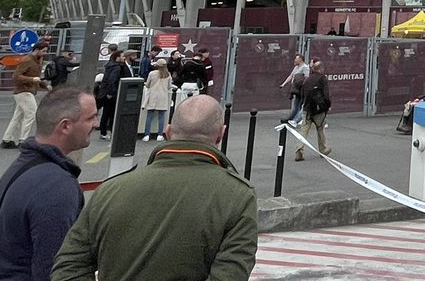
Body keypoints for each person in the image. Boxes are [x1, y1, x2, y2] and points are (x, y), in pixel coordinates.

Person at [52, 94, 257, 281]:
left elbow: (69, 267)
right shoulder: (237, 196)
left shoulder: (110, 190)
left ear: (168, 132)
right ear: (221, 135)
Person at [0, 88, 98, 281]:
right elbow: (54, 269)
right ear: (65, 126)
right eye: (90, 118)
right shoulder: (57, 187)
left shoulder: (22, 167)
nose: (96, 124)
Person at [2, 42, 50, 149]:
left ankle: (7, 139)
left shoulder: (36, 61)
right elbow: (16, 76)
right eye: (43, 51)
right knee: (31, 114)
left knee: (18, 117)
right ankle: (23, 140)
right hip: (24, 91)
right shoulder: (27, 60)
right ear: (37, 49)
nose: (44, 53)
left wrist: (45, 86)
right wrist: (32, 80)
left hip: (25, 91)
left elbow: (35, 77)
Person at [294, 59, 331, 161]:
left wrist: (305, 104)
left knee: (304, 130)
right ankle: (323, 149)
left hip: (307, 108)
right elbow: (326, 95)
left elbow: (302, 94)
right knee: (320, 129)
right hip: (318, 109)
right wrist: (327, 106)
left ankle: (299, 150)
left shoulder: (307, 79)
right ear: (321, 69)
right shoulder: (322, 79)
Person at [142, 58, 172, 141]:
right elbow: (169, 86)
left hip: (152, 96)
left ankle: (146, 135)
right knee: (161, 116)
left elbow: (148, 85)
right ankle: (159, 135)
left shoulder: (152, 73)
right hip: (163, 96)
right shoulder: (168, 74)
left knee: (149, 116)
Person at [280, 54, 310, 125]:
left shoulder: (305, 67)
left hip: (301, 89)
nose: (295, 60)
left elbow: (306, 77)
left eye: (296, 59)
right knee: (296, 104)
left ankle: (296, 120)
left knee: (300, 105)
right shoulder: (296, 67)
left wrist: (302, 85)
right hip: (296, 89)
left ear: (301, 59)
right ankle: (291, 118)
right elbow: (291, 76)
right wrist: (283, 84)